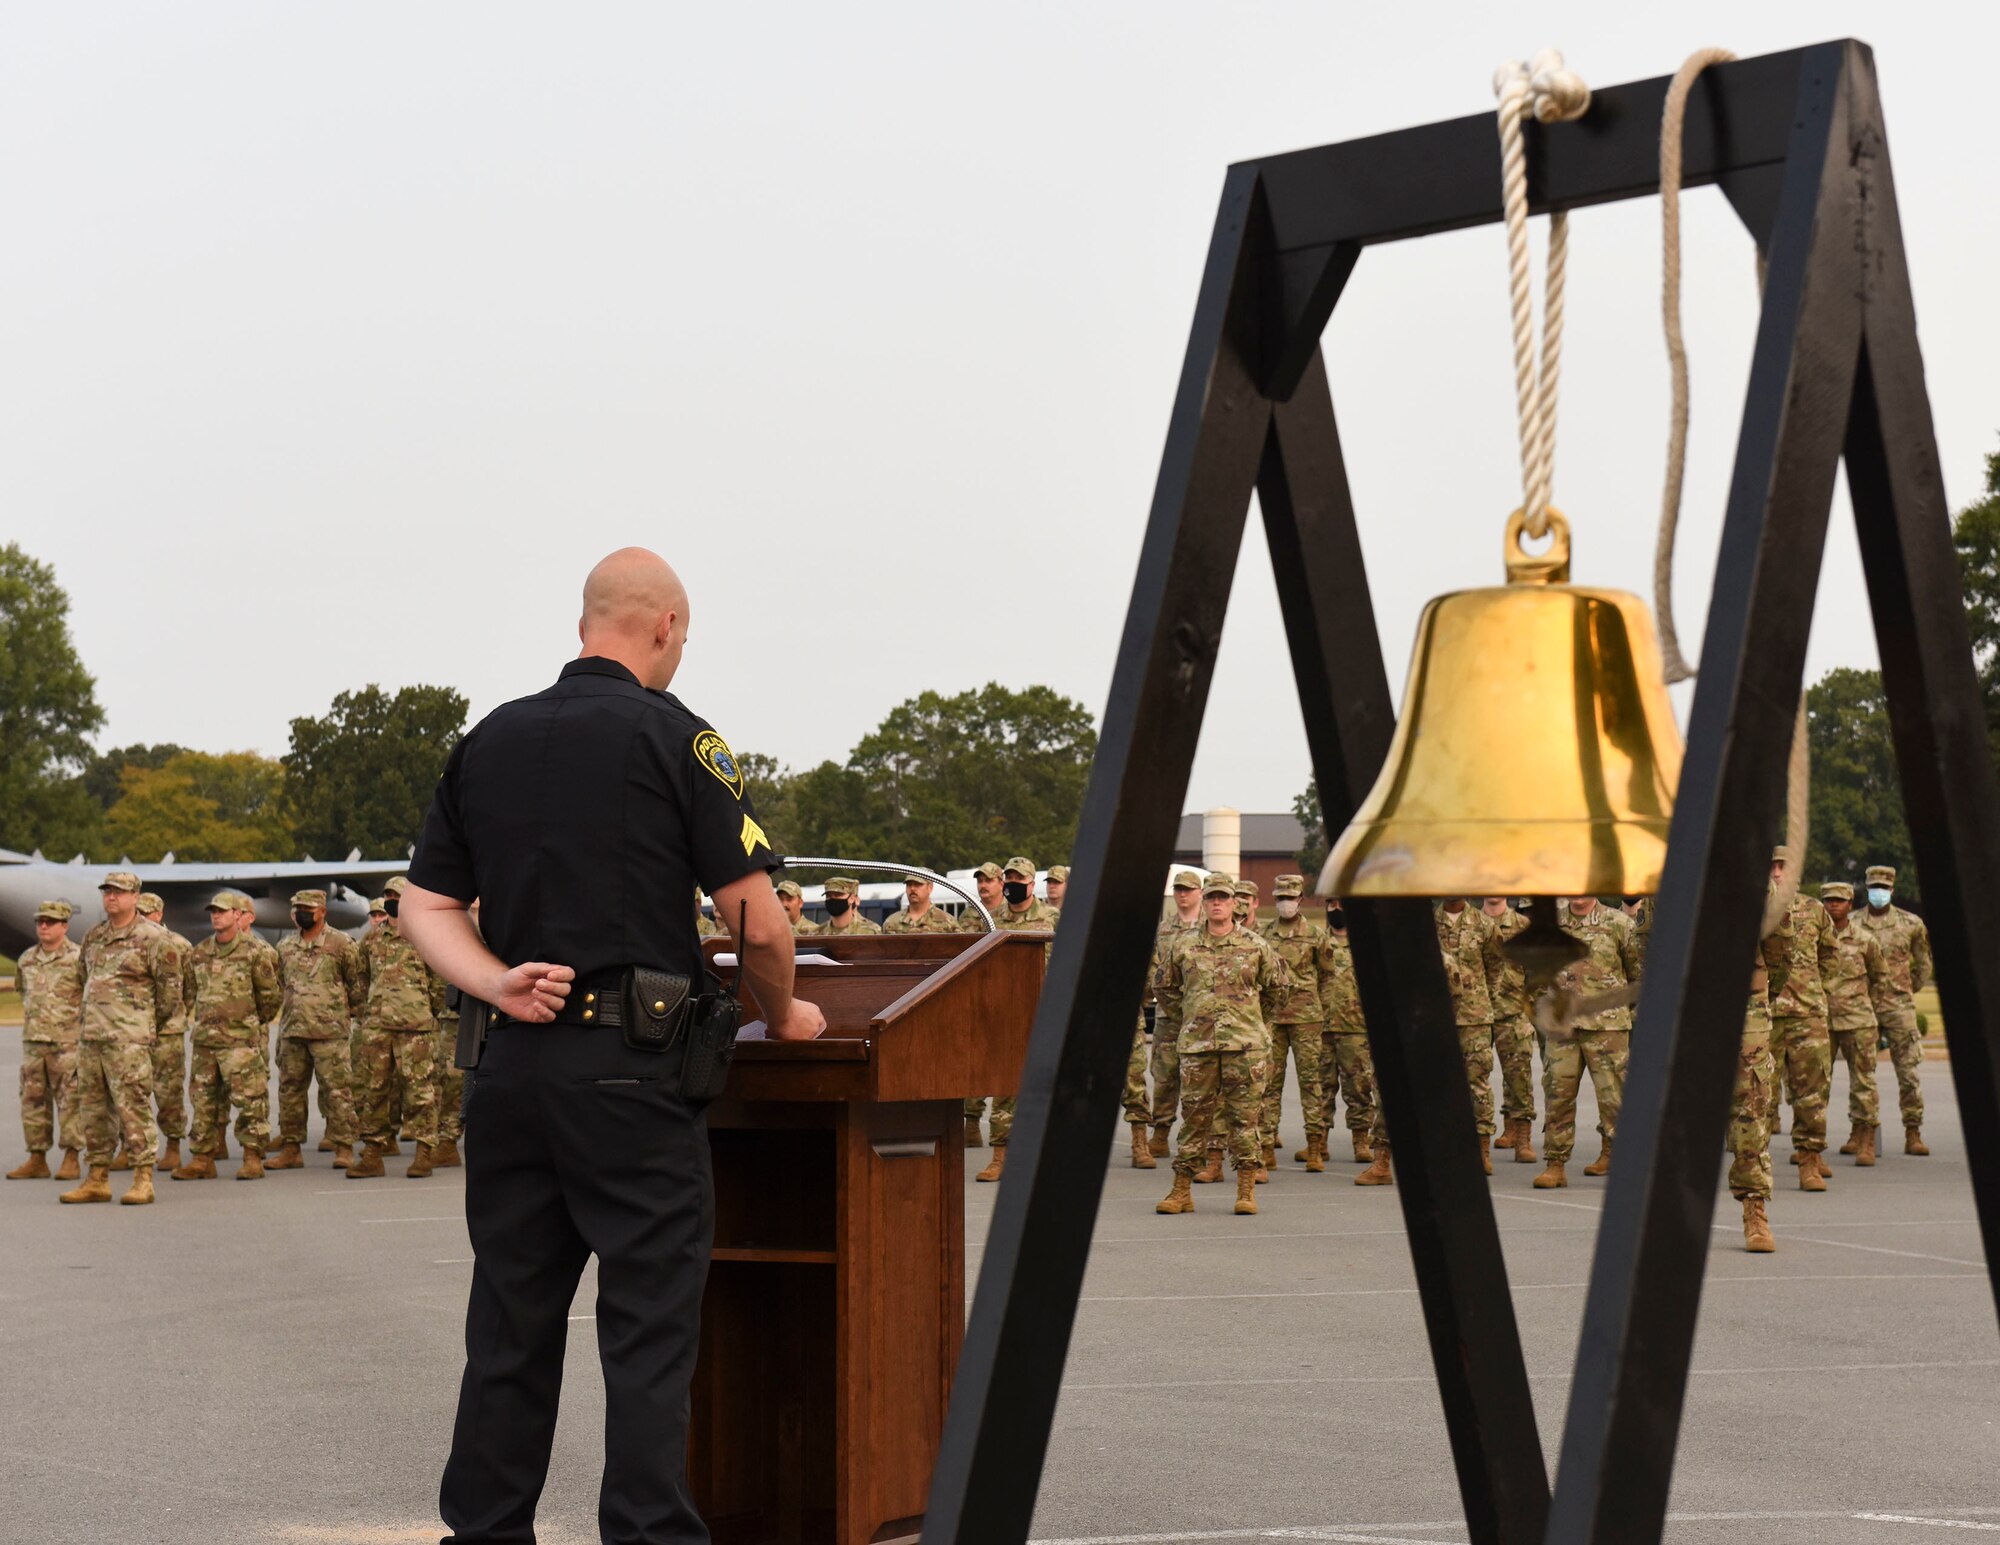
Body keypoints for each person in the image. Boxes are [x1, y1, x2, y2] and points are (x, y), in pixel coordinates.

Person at [397, 546, 823, 1545]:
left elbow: (425, 906)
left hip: (511, 1065)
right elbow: (755, 923)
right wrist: (784, 1013)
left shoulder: (488, 739)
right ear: (666, 626)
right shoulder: (677, 738)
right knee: (645, 1337)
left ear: (584, 622)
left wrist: (494, 979)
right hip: (631, 1078)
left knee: (508, 1329)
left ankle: (486, 1530)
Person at [1155, 872, 1285, 1217]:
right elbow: (1165, 988)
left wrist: (1253, 1022)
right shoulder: (1182, 945)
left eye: (1223, 898)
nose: (1216, 903)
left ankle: (1245, 1190)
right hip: (1198, 1046)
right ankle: (1181, 1190)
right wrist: (1189, 1017)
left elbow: (1276, 989)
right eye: (1211, 897)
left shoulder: (1256, 945)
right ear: (1205, 902)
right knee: (1194, 1119)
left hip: (1245, 1047)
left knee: (1245, 1120)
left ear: (1234, 904)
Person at [63, 871, 179, 1206]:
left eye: (119, 892)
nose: (111, 897)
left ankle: (143, 1178)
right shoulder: (94, 935)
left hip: (128, 1040)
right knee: (94, 1111)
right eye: (107, 891)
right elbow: (83, 977)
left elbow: (170, 993)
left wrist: (143, 1027)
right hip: (92, 1039)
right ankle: (97, 1178)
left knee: (133, 1108)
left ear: (135, 896)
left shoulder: (154, 938)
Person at [176, 891, 283, 1181]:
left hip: (240, 1041)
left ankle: (251, 1156)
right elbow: (189, 992)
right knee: (203, 1103)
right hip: (206, 1043)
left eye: (222, 911)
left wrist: (249, 1023)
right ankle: (202, 1158)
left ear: (238, 915)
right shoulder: (199, 953)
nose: (216, 915)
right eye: (213, 911)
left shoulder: (255, 952)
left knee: (250, 1101)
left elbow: (270, 997)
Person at [1534, 896, 1639, 1188]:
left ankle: (1614, 1154)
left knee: (1613, 1097)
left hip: (1607, 1027)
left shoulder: (1619, 924)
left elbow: (1637, 973)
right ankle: (1555, 1164)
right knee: (1557, 1093)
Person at [348, 875, 447, 1179]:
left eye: (397, 895)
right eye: (387, 895)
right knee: (374, 1092)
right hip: (378, 1027)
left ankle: (424, 1152)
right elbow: (361, 979)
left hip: (415, 1027)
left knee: (419, 1092)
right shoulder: (372, 939)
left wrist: (426, 1011)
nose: (391, 900)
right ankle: (373, 1153)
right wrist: (367, 1013)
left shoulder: (425, 935)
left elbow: (439, 982)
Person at [974, 857, 1060, 1183]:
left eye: (1018, 878)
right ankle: (1000, 1156)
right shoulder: (992, 920)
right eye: (1008, 878)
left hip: (1045, 1016)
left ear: (1032, 883)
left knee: (1046, 1089)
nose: (1012, 883)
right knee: (1005, 1088)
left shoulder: (1053, 917)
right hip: (1006, 1016)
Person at [273, 887, 365, 1169]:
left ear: (322, 912)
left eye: (307, 909)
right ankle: (291, 1148)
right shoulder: (286, 947)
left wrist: (344, 1016)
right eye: (298, 908)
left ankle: (344, 1146)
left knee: (337, 1091)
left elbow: (357, 985)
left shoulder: (342, 944)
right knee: (290, 1092)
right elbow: (279, 985)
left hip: (330, 1033)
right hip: (293, 1031)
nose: (302, 913)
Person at [1768, 852, 1839, 1190]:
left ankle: (1809, 1161)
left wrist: (1814, 992)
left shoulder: (1815, 910)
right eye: (1772, 867)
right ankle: (1755, 1166)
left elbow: (1830, 956)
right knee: (1757, 1097)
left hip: (1807, 1015)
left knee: (1811, 1093)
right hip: (1763, 1017)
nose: (1778, 873)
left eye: (1785, 866)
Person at [1257, 874, 1336, 1171]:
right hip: (1274, 1020)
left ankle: (1315, 1146)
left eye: (1290, 898)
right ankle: (1266, 1147)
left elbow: (1328, 975)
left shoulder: (1316, 934)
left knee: (1311, 1083)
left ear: (1301, 900)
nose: (1285, 904)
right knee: (1269, 1084)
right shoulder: (1264, 935)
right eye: (1280, 898)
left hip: (1307, 1019)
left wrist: (1320, 1009)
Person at [1857, 864, 1933, 1155]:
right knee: (1862, 1074)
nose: (1879, 892)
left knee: (1909, 1073)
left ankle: (1913, 1132)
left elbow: (1923, 963)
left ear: (1892, 889)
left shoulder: (1911, 923)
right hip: (1864, 1006)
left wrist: (1907, 989)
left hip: (1899, 1006)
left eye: (1884, 887)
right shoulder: (1853, 922)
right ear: (1867, 888)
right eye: (1874, 887)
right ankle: (1860, 1132)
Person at [9, 900, 85, 1182]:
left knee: (70, 1102)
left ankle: (71, 1157)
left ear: (64, 925)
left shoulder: (78, 957)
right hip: (34, 1042)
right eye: (40, 921)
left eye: (50, 921)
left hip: (67, 1043)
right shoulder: (27, 958)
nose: (43, 926)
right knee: (32, 1101)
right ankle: (37, 1158)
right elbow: (22, 992)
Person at [1436, 896, 1506, 1174]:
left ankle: (1482, 1150)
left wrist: (1480, 1000)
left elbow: (1495, 969)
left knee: (1477, 1083)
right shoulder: (1428, 925)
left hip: (1474, 1018)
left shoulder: (1485, 925)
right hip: (1436, 1018)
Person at [1821, 882, 1889, 1164]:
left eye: (1839, 900)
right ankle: (1812, 1147)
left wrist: (1866, 1006)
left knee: (1863, 1083)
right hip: (1822, 1020)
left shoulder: (1865, 939)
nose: (1834, 905)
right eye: (1829, 900)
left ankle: (1866, 1140)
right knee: (1815, 1086)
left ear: (1850, 904)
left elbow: (1880, 977)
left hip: (1858, 1020)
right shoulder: (1815, 938)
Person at [1145, 870, 1205, 1158]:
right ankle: (1160, 1132)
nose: (1183, 895)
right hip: (1169, 1016)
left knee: (1203, 1080)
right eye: (1179, 889)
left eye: (1189, 890)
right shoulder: (1164, 930)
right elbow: (1155, 971)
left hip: (1204, 1018)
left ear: (1199, 893)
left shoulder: (1210, 927)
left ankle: (1202, 1139)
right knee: (1165, 1075)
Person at [135, 892, 194, 1172]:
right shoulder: (129, 944)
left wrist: (173, 1016)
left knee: (168, 1092)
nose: (143, 919)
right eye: (139, 913)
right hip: (134, 1029)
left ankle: (172, 1145)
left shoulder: (179, 945)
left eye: (147, 914)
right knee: (131, 1090)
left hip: (167, 1031)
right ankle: (131, 1146)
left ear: (159, 914)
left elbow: (190, 989)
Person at [1317, 899, 1379, 1168]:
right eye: (1331, 905)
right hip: (1320, 1027)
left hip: (1355, 1028)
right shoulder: (1318, 943)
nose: (1336, 909)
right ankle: (1318, 1141)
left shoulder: (1367, 945)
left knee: (1360, 1087)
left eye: (1341, 904)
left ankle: (1361, 1139)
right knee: (1320, 1089)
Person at [1482, 897, 1538, 1161]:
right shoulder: (1473, 923)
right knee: (1473, 1082)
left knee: (1519, 1080)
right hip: (1475, 1015)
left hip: (1513, 1013)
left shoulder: (1523, 926)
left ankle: (1523, 1140)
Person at [961, 860, 1006, 1145]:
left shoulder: (1009, 915)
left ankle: (1005, 1131)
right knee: (974, 1063)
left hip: (1008, 996)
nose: (983, 885)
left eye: (989, 880)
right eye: (980, 880)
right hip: (977, 998)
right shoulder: (969, 916)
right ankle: (972, 1122)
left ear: (1001, 883)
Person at [885, 874, 959, 933]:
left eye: (918, 884)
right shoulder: (891, 923)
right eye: (909, 885)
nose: (912, 888)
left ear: (930, 887)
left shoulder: (947, 922)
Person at [812, 876, 882, 936]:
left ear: (852, 898)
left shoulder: (872, 932)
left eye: (838, 895)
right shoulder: (816, 934)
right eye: (828, 896)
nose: (833, 899)